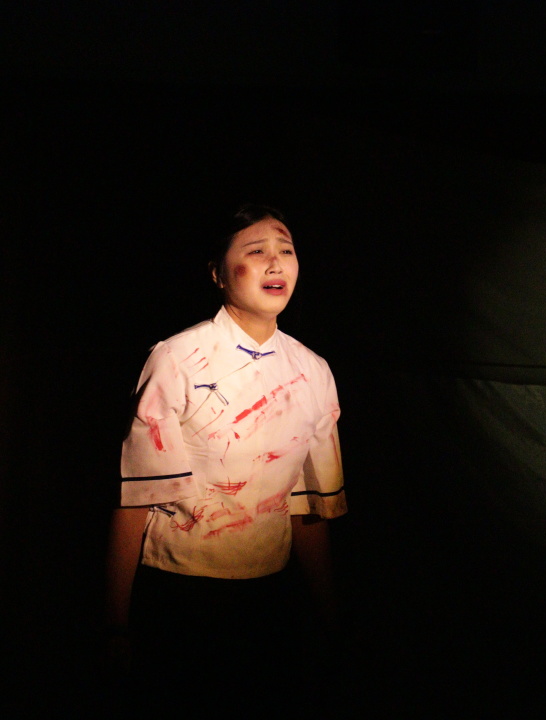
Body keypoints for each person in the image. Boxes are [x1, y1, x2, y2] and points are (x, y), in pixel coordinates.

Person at [103, 204, 347, 708]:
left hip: (271, 599)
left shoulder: (314, 370)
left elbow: (308, 508)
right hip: (180, 597)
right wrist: (115, 626)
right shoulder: (176, 359)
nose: (276, 263)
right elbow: (134, 502)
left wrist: (332, 621)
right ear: (217, 273)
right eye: (256, 251)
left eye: (286, 251)